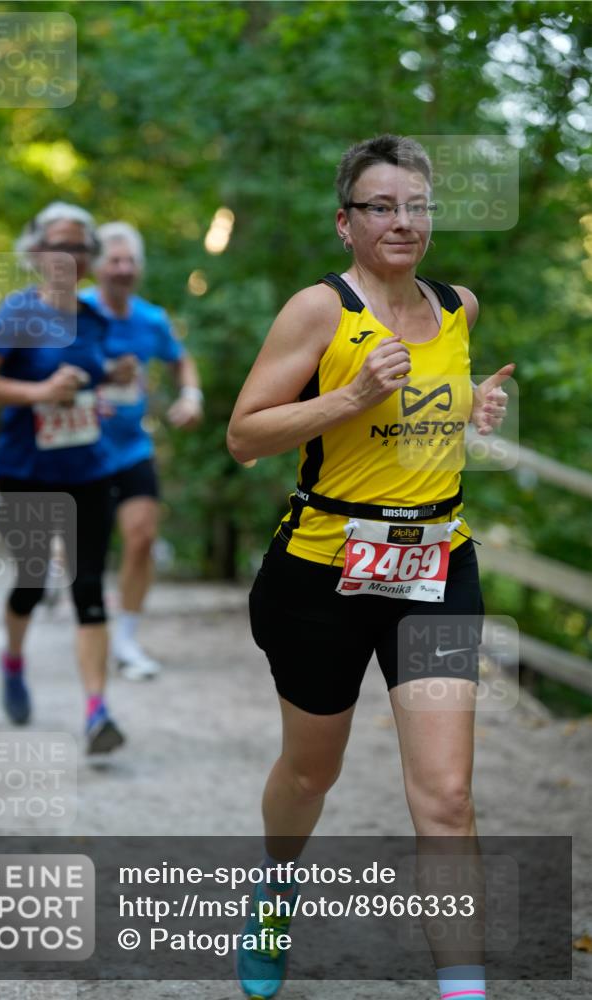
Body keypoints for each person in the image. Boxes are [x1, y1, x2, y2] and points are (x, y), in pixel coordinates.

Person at [227, 135, 514, 1000]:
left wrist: (472, 409)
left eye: (416, 205)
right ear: (345, 222)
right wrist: (349, 396)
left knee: (447, 795)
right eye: (381, 206)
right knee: (312, 771)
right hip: (324, 572)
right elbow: (244, 435)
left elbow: (423, 420)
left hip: (434, 566)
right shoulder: (318, 311)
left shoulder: (454, 307)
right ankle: (274, 888)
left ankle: (462, 987)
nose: (403, 221)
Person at [0, 202, 133, 754]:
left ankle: (96, 712)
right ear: (35, 252)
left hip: (89, 468)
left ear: (90, 258)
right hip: (26, 471)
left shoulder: (99, 319)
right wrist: (38, 394)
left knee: (88, 588)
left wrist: (110, 382)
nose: (68, 255)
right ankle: (12, 662)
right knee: (32, 581)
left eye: (79, 246)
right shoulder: (16, 314)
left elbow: (93, 381)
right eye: (57, 244)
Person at [79, 222, 203, 680]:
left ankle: (126, 640)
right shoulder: (74, 313)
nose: (124, 268)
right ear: (96, 265)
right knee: (84, 551)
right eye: (115, 260)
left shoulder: (150, 319)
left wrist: (191, 397)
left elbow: (180, 360)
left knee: (142, 536)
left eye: (131, 261)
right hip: (79, 449)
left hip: (131, 447)